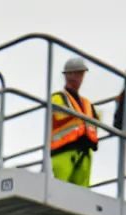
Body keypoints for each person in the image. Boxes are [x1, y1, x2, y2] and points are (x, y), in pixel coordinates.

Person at [50, 56, 99, 187]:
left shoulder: (87, 104)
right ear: (67, 75)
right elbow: (59, 118)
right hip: (63, 152)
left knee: (81, 195)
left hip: (85, 153)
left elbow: (95, 125)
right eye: (75, 73)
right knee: (59, 190)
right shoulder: (58, 98)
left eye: (80, 74)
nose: (78, 77)